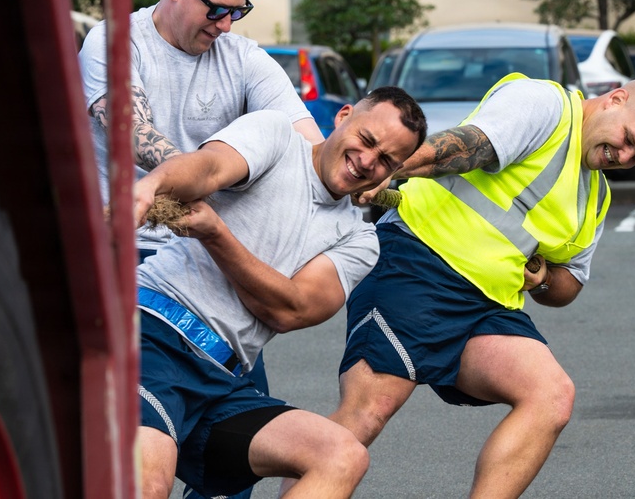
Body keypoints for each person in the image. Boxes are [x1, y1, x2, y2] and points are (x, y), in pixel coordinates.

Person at [331, 74, 635, 498]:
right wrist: (388, 169)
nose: (622, 157)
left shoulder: (595, 196)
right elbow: (470, 144)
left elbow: (570, 284)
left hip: (488, 305)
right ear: (615, 100)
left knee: (551, 396)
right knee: (367, 414)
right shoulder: (547, 106)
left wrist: (546, 278)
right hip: (417, 262)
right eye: (626, 139)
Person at [132, 87, 427, 499]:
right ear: (343, 117)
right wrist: (154, 187)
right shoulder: (277, 136)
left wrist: (217, 233)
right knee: (148, 484)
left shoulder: (360, 239)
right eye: (367, 141)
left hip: (222, 379)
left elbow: (290, 310)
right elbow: (208, 169)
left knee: (342, 455)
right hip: (152, 337)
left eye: (386, 161)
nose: (366, 162)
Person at [80, 0, 323, 262]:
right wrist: (212, 175)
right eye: (217, 9)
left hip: (203, 249)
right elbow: (133, 133)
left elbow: (309, 146)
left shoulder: (243, 57)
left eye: (238, 11)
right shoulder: (114, 41)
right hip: (121, 245)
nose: (226, 25)